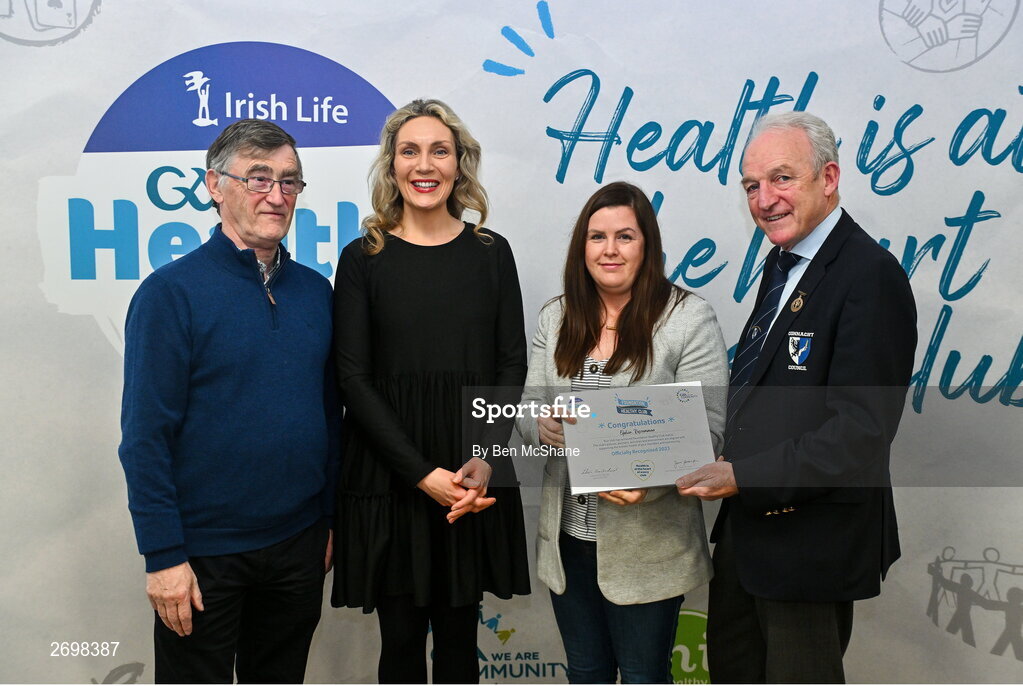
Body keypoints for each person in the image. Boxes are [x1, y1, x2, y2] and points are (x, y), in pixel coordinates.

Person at [676, 111, 917, 683]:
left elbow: (859, 432)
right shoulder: (784, 263)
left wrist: (744, 477)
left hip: (810, 549)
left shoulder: (869, 275)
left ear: (828, 177)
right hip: (748, 542)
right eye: (752, 186)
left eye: (781, 179)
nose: (764, 199)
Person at [118, 119, 339, 683]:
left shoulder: (316, 293)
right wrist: (163, 555)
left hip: (298, 547)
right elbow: (145, 439)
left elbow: (332, 418)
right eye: (258, 178)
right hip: (201, 556)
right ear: (214, 186)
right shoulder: (170, 295)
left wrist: (329, 520)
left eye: (290, 181)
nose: (276, 195)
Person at [331, 98, 530, 684]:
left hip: (472, 476)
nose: (425, 164)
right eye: (410, 150)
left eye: (439, 150)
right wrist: (421, 474)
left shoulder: (493, 254)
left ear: (459, 163)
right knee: (397, 651)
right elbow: (353, 379)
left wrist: (484, 461)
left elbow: (510, 363)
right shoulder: (363, 258)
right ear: (392, 167)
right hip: (392, 475)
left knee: (460, 648)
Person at [517, 181, 729, 683]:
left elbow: (708, 433)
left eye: (625, 236)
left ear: (647, 245)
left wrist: (648, 481)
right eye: (597, 237)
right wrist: (540, 425)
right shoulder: (558, 315)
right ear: (581, 247)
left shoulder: (687, 319)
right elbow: (527, 408)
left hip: (649, 546)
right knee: (586, 673)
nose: (609, 250)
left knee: (642, 675)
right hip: (570, 539)